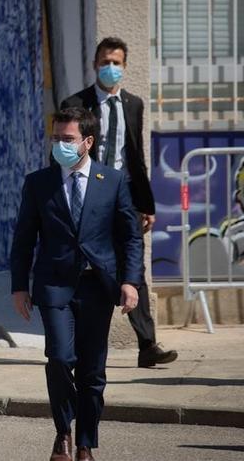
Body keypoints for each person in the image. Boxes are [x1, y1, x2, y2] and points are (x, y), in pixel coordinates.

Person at [10, 107, 142, 461]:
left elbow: (130, 237)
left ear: (87, 142)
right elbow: (24, 238)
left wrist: (130, 281)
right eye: (56, 138)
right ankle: (62, 431)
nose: (60, 145)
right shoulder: (39, 182)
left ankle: (85, 442)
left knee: (92, 370)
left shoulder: (111, 181)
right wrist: (19, 286)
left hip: (98, 286)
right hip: (55, 286)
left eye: (67, 139)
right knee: (59, 357)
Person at [61, 37, 177, 369]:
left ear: (125, 67)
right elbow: (69, 154)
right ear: (95, 64)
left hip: (124, 195)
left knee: (133, 265)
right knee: (88, 265)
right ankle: (73, 340)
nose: (111, 68)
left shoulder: (133, 104)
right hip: (92, 196)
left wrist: (147, 204)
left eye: (117, 62)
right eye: (105, 62)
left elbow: (136, 156)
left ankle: (147, 344)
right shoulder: (77, 103)